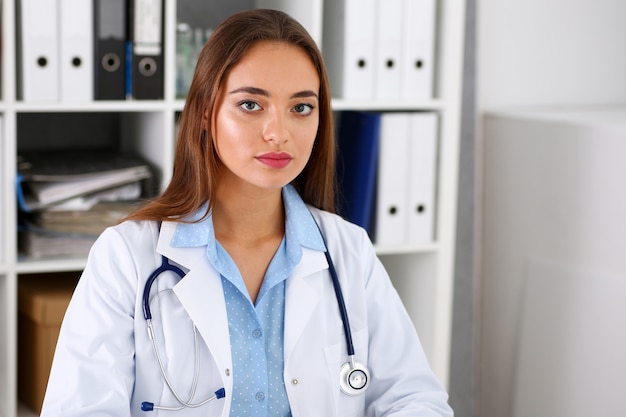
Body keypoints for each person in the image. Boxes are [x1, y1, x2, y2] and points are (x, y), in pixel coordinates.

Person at [41, 8, 453, 417]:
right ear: (205, 112)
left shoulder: (348, 251)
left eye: (301, 108)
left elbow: (414, 399)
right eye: (251, 105)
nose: (279, 132)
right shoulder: (127, 257)